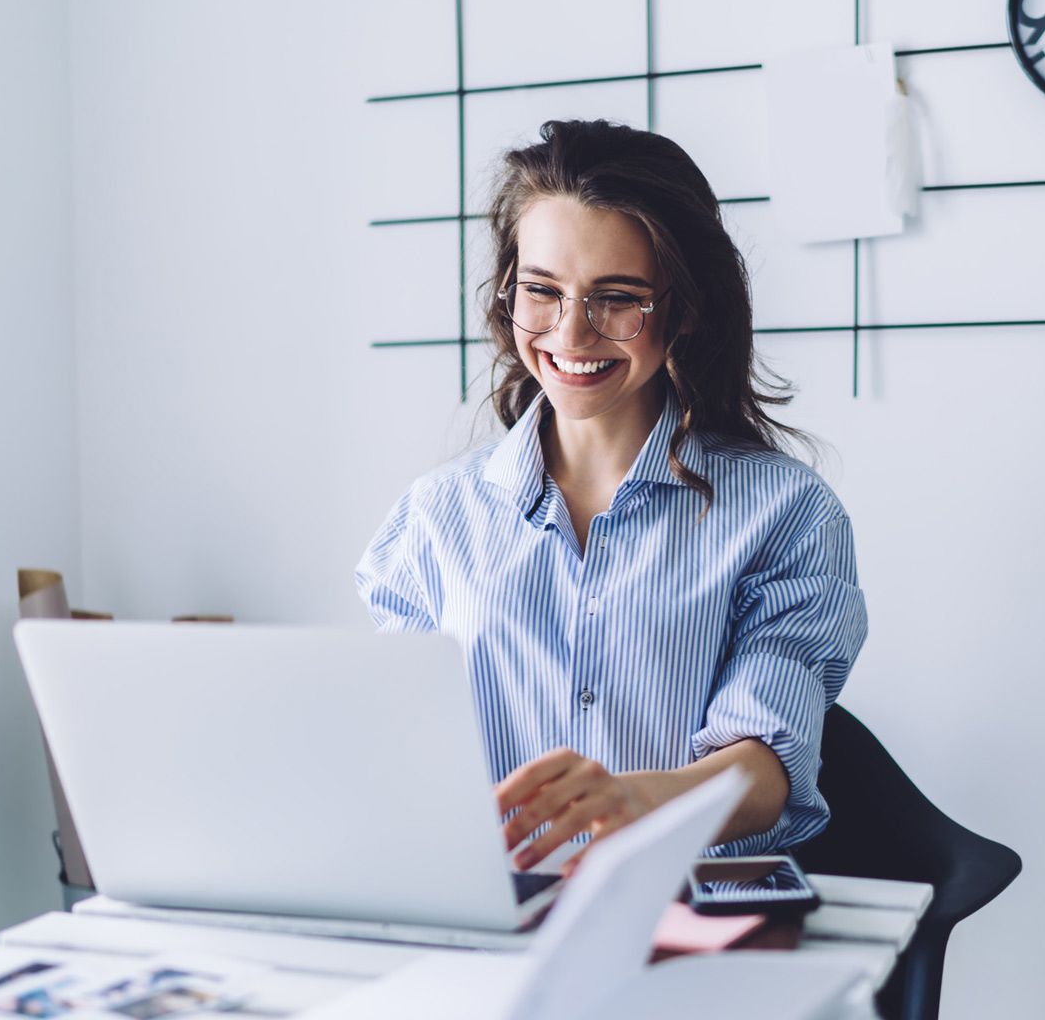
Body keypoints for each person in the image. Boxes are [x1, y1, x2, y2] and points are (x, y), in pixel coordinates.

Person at [355, 118, 866, 876]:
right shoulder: (434, 518)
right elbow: (403, 761)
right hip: (487, 916)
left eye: (617, 299)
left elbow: (767, 769)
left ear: (685, 309)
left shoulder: (786, 516)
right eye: (542, 292)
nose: (571, 333)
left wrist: (634, 802)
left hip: (690, 912)